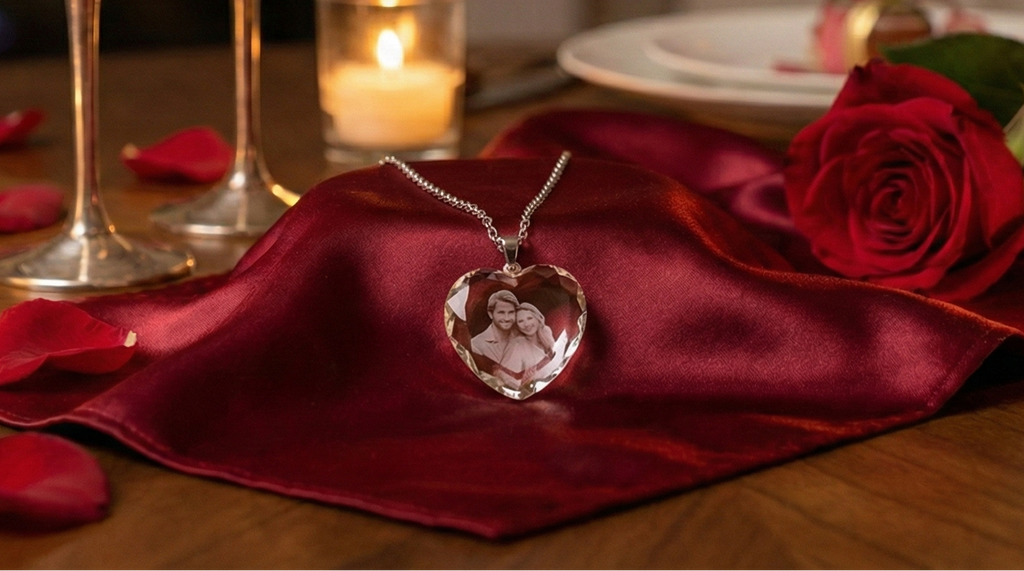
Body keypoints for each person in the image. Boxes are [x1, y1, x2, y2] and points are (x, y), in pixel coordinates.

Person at [496, 303, 555, 387]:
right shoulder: (517, 345)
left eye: (529, 318)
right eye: (520, 321)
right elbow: (504, 378)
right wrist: (525, 380)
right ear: (517, 325)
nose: (526, 324)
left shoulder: (546, 332)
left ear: (537, 318)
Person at [470, 290, 519, 366]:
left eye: (511, 312)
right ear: (490, 314)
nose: (507, 318)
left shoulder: (524, 339)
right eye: (501, 313)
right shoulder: (476, 344)